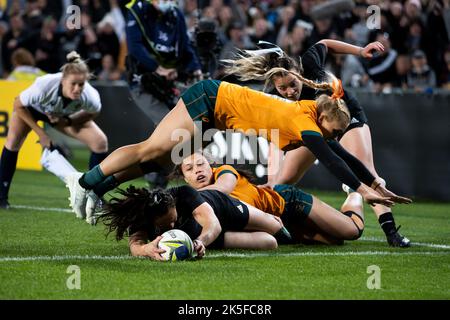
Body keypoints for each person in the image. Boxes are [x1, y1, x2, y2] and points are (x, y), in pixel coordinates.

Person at [66, 75, 412, 223]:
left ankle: (98, 187)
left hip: (218, 116)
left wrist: (374, 183)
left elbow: (343, 156)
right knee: (151, 149)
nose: (334, 138)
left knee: (157, 160)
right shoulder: (306, 122)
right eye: (333, 131)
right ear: (323, 117)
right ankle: (83, 182)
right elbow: (332, 160)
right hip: (212, 99)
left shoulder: (314, 120)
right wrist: (364, 190)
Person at [222, 39, 412, 248]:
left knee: (366, 174)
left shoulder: (309, 64)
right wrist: (271, 178)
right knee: (280, 185)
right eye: (282, 88)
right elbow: (277, 140)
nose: (289, 92)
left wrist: (360, 50)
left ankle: (391, 233)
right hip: (309, 132)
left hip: (344, 121)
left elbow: (325, 43)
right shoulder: (276, 98)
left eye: (293, 84)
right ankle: (278, 228)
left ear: (297, 72)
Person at [174, 152, 366, 245]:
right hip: (279, 225)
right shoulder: (198, 209)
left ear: (211, 166)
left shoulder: (224, 172)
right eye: (189, 169)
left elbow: (222, 189)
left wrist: (187, 197)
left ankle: (354, 193)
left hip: (288, 203)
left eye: (201, 164)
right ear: (185, 178)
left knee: (351, 231)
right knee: (334, 242)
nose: (197, 170)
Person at [0, 51, 108, 210]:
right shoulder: (45, 84)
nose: (77, 89)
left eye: (81, 84)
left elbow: (94, 112)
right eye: (73, 84)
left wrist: (69, 121)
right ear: (63, 79)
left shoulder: (89, 95)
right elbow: (18, 104)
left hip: (60, 116)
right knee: (13, 141)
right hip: (31, 110)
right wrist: (41, 133)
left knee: (100, 142)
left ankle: (95, 196)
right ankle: (1, 196)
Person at [99, 184, 292, 261]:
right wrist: (145, 250)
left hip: (222, 209)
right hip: (208, 239)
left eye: (174, 221)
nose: (172, 227)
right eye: (166, 226)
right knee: (270, 243)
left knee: (277, 228)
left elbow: (213, 225)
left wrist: (200, 242)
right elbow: (135, 244)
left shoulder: (184, 193)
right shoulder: (142, 215)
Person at [125, 0, 203, 188]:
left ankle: (159, 175)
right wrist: (156, 68)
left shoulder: (176, 14)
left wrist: (195, 67)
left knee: (187, 126)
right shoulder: (137, 10)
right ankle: (152, 176)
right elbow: (134, 46)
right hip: (143, 81)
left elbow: (184, 46)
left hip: (170, 82)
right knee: (167, 126)